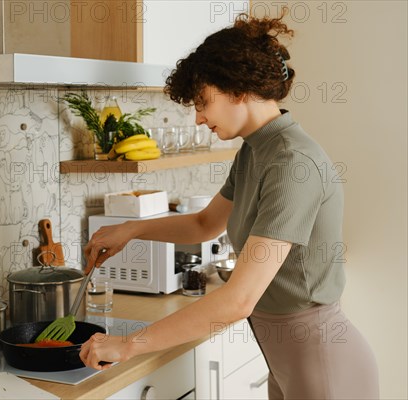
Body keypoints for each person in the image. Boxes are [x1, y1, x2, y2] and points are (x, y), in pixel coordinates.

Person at [79, 12, 379, 400]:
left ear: (238, 90)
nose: (199, 117)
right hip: (288, 362)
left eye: (203, 102)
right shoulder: (256, 151)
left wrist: (129, 344)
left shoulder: (292, 163)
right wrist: (131, 229)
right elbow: (206, 223)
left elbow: (239, 299)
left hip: (320, 364)